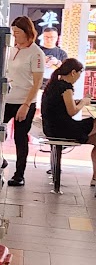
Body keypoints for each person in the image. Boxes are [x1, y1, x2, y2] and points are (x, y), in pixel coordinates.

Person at [40, 57, 96, 188]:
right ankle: (95, 177)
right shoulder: (66, 87)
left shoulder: (53, 84)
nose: (78, 78)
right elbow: (72, 111)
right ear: (73, 73)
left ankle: (95, 178)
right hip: (63, 128)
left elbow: (59, 106)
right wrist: (84, 102)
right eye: (79, 74)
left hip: (51, 127)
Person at [3, 14, 45, 187]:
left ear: (28, 32)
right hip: (6, 99)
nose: (15, 36)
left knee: (20, 138)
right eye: (13, 32)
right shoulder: (11, 50)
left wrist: (26, 105)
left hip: (24, 101)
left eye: (18, 32)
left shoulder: (36, 53)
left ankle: (19, 174)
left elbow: (37, 83)